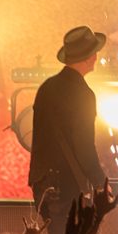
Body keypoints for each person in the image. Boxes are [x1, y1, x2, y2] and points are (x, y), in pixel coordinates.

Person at [29, 25, 109, 204]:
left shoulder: (46, 88)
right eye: (95, 52)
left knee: (53, 224)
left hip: (42, 183)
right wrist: (100, 182)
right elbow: (84, 146)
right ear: (89, 57)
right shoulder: (84, 94)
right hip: (67, 184)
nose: (96, 57)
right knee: (71, 224)